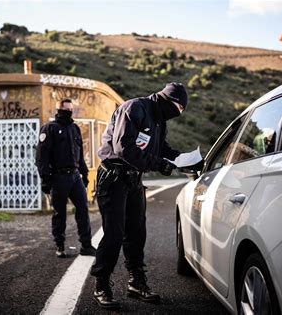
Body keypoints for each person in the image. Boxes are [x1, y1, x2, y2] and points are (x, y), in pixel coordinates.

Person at [90, 83, 191, 309]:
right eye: (177, 107)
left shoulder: (159, 120)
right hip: (113, 178)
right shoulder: (134, 108)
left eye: (182, 111)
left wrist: (183, 159)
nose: (178, 113)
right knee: (114, 234)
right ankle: (101, 284)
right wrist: (157, 164)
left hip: (134, 180)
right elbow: (123, 148)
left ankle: (136, 282)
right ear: (165, 99)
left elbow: (161, 148)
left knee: (137, 233)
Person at [35, 98, 96, 258]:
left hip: (75, 177)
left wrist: (85, 174)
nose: (69, 112)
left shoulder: (75, 128)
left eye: (71, 109)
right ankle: (60, 245)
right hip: (58, 177)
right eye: (66, 109)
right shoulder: (49, 128)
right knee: (59, 213)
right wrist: (45, 179)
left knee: (83, 210)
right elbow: (42, 157)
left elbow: (80, 155)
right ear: (59, 109)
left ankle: (86, 245)